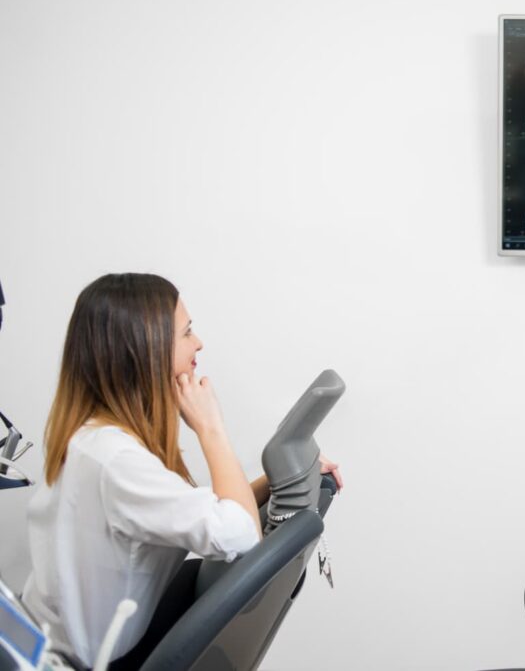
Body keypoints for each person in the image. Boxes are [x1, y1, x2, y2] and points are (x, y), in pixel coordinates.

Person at [20, 273, 342, 668]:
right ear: (145, 350)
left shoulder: (107, 440)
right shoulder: (116, 461)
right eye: (186, 332)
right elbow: (242, 537)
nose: (199, 343)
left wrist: (282, 479)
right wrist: (211, 428)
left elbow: (200, 513)